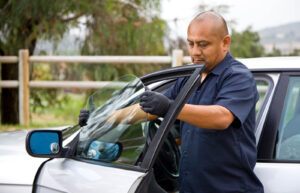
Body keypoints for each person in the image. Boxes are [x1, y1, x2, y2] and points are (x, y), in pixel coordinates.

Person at [79, 11, 264, 193]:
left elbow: (221, 117)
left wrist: (170, 107)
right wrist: (102, 118)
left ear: (225, 43)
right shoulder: (189, 79)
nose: (195, 52)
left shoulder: (237, 77)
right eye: (191, 44)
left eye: (203, 45)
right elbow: (148, 110)